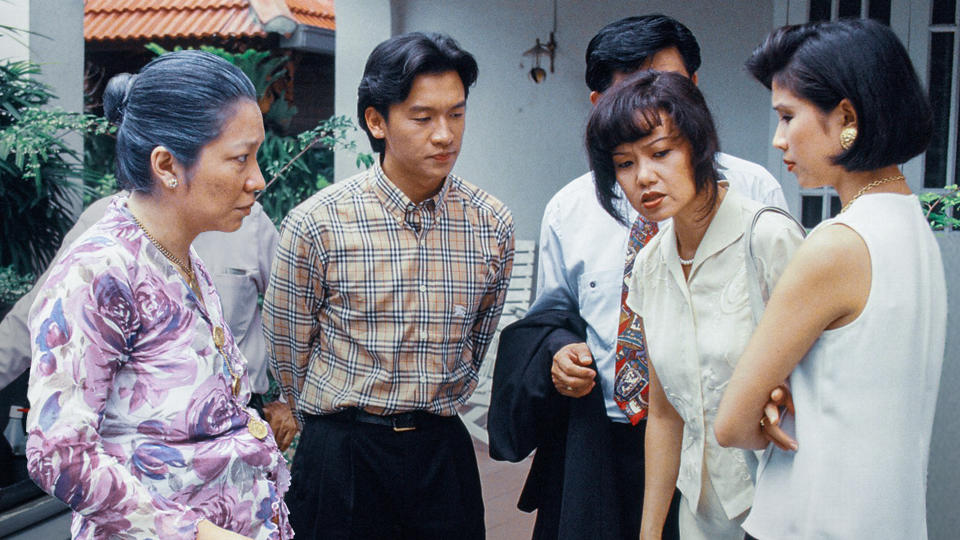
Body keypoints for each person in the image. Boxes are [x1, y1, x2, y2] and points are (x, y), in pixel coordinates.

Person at [504, 14, 787, 539]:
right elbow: (553, 314)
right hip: (604, 437)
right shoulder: (571, 209)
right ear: (600, 107)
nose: (651, 104)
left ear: (695, 97)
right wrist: (558, 352)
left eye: (669, 86)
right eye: (628, 91)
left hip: (727, 444)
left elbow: (787, 322)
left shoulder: (756, 198)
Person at [25, 50, 292, 539]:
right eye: (240, 158)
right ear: (167, 164)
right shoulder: (100, 271)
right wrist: (200, 533)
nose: (258, 179)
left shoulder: (179, 255)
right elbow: (59, 454)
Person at [263, 32, 514, 539]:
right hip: (343, 457)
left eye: (457, 114)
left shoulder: (491, 224)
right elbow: (289, 354)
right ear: (377, 121)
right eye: (423, 118)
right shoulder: (317, 223)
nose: (444, 135)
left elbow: (477, 339)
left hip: (442, 453)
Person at [715, 19, 945, 539]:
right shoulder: (914, 228)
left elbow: (732, 424)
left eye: (788, 116)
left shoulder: (837, 244)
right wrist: (786, 391)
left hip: (811, 520)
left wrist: (771, 400)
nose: (778, 140)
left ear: (846, 117)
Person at [584, 70, 802, 538]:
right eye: (624, 163)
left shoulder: (768, 238)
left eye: (661, 153)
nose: (643, 177)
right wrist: (649, 531)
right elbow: (663, 415)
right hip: (701, 511)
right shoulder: (649, 264)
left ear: (698, 146)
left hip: (782, 502)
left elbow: (815, 389)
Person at [0, 197, 298, 451]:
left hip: (235, 431)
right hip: (132, 439)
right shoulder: (104, 219)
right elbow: (34, 319)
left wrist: (290, 403)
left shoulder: (248, 221)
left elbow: (297, 313)